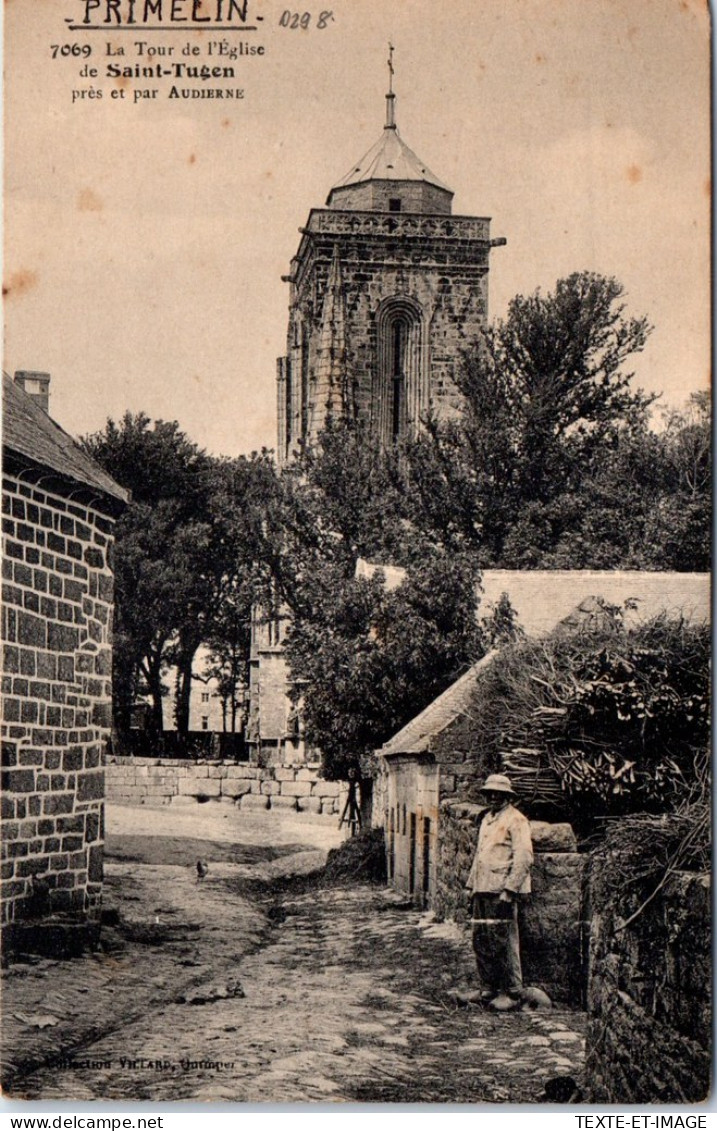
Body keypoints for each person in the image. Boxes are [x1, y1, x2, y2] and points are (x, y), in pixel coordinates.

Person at [465, 773, 533, 1010]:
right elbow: (480, 854)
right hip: (482, 888)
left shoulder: (517, 820)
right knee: (481, 940)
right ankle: (487, 989)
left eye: (498, 794)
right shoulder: (487, 820)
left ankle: (513, 993)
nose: (493, 797)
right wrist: (471, 886)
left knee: (503, 941)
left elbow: (524, 857)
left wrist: (510, 890)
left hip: (500, 891)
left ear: (507, 796)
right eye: (490, 793)